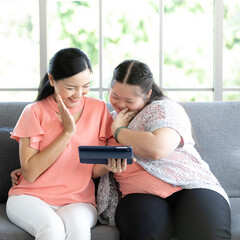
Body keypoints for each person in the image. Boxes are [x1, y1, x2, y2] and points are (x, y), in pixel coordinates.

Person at [96, 59, 231, 240]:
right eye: (114, 96)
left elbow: (157, 148)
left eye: (129, 100)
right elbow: (92, 163)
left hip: (190, 186)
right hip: (139, 195)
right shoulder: (105, 119)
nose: (119, 104)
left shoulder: (165, 109)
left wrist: (119, 132)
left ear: (147, 94)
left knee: (209, 234)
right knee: (145, 234)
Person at [6, 47, 114, 240]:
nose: (78, 94)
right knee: (52, 228)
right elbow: (30, 173)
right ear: (52, 80)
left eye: (85, 86)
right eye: (71, 88)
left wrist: (109, 164)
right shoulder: (34, 112)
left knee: (79, 231)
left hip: (78, 200)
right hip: (30, 197)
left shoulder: (98, 110)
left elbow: (92, 170)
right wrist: (67, 133)